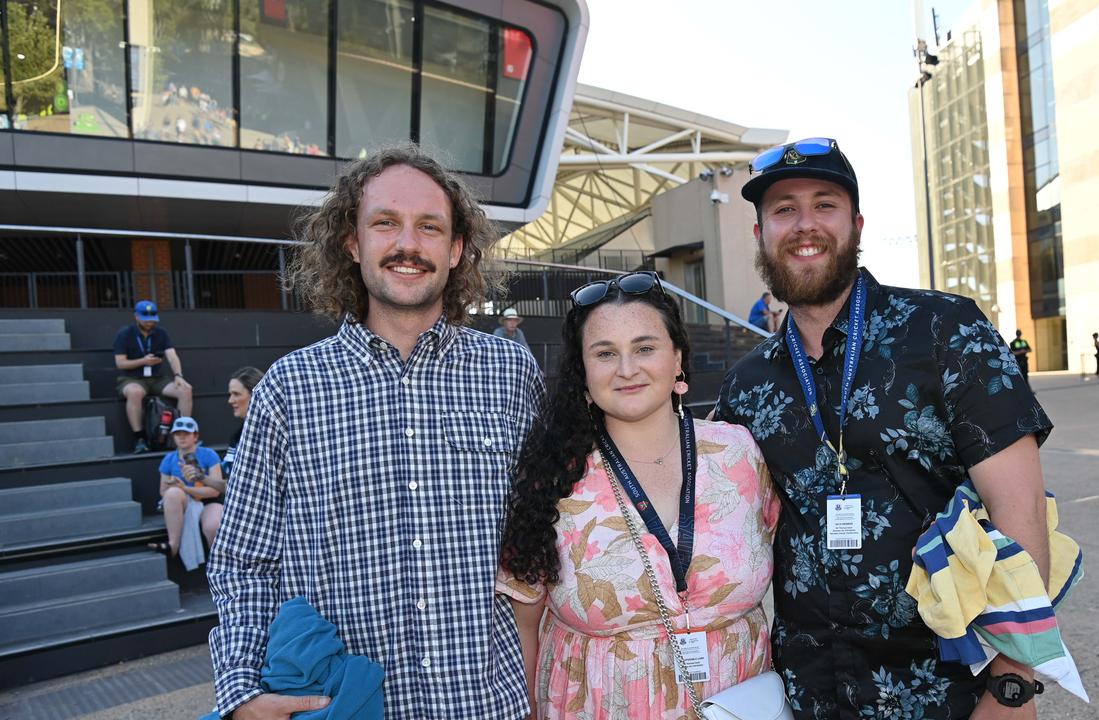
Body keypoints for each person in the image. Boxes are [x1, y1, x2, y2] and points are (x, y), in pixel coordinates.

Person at [715, 137, 1054, 718]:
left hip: (951, 687)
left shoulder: (946, 332)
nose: (804, 225)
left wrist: (1012, 683)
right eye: (783, 209)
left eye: (824, 205)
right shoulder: (747, 386)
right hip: (810, 692)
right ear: (760, 235)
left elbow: (1018, 512)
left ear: (857, 224)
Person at [207, 143, 545, 720]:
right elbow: (243, 560)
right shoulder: (289, 390)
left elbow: (552, 540)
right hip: (345, 707)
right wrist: (242, 691)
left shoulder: (511, 374)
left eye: (429, 227)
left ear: (458, 248)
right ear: (352, 241)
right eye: (385, 223)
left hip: (492, 706)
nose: (408, 245)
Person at [499, 272, 780, 718]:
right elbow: (523, 623)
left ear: (678, 359)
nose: (627, 369)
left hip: (739, 703)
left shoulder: (739, 452)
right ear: (584, 375)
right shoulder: (551, 475)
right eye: (605, 353)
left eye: (645, 348)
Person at [113, 300, 194, 453]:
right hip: (132, 378)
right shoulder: (125, 334)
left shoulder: (161, 333)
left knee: (185, 389)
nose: (150, 322)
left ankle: (182, 434)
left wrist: (178, 375)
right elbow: (120, 363)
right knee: (135, 392)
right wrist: (143, 361)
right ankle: (140, 438)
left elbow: (172, 356)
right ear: (136, 316)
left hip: (157, 378)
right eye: (145, 318)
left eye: (152, 319)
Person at [150, 417, 224, 569]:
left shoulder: (209, 454)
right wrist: (177, 488)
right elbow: (163, 491)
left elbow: (215, 491)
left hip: (208, 501)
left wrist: (185, 488)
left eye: (186, 433)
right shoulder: (169, 459)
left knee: (213, 525)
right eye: (178, 434)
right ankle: (173, 545)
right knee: (172, 493)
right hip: (183, 502)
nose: (182, 437)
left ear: (195, 436)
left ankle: (220, 566)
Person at [222, 366, 263, 479]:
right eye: (230, 394)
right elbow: (231, 486)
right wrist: (201, 477)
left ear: (255, 395)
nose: (230, 400)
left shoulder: (269, 434)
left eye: (236, 394)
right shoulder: (237, 436)